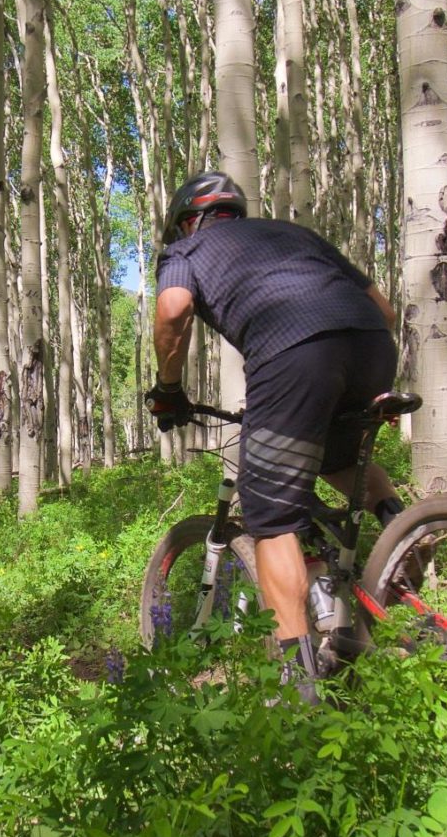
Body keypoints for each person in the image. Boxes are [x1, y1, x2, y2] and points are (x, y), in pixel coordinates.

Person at [144, 170, 406, 696]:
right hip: (373, 347)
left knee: (271, 519)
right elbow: (385, 309)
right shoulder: (294, 236)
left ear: (186, 222)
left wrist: (168, 388)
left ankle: (297, 683)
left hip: (296, 354)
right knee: (336, 462)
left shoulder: (187, 252)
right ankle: (406, 545)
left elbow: (173, 310)